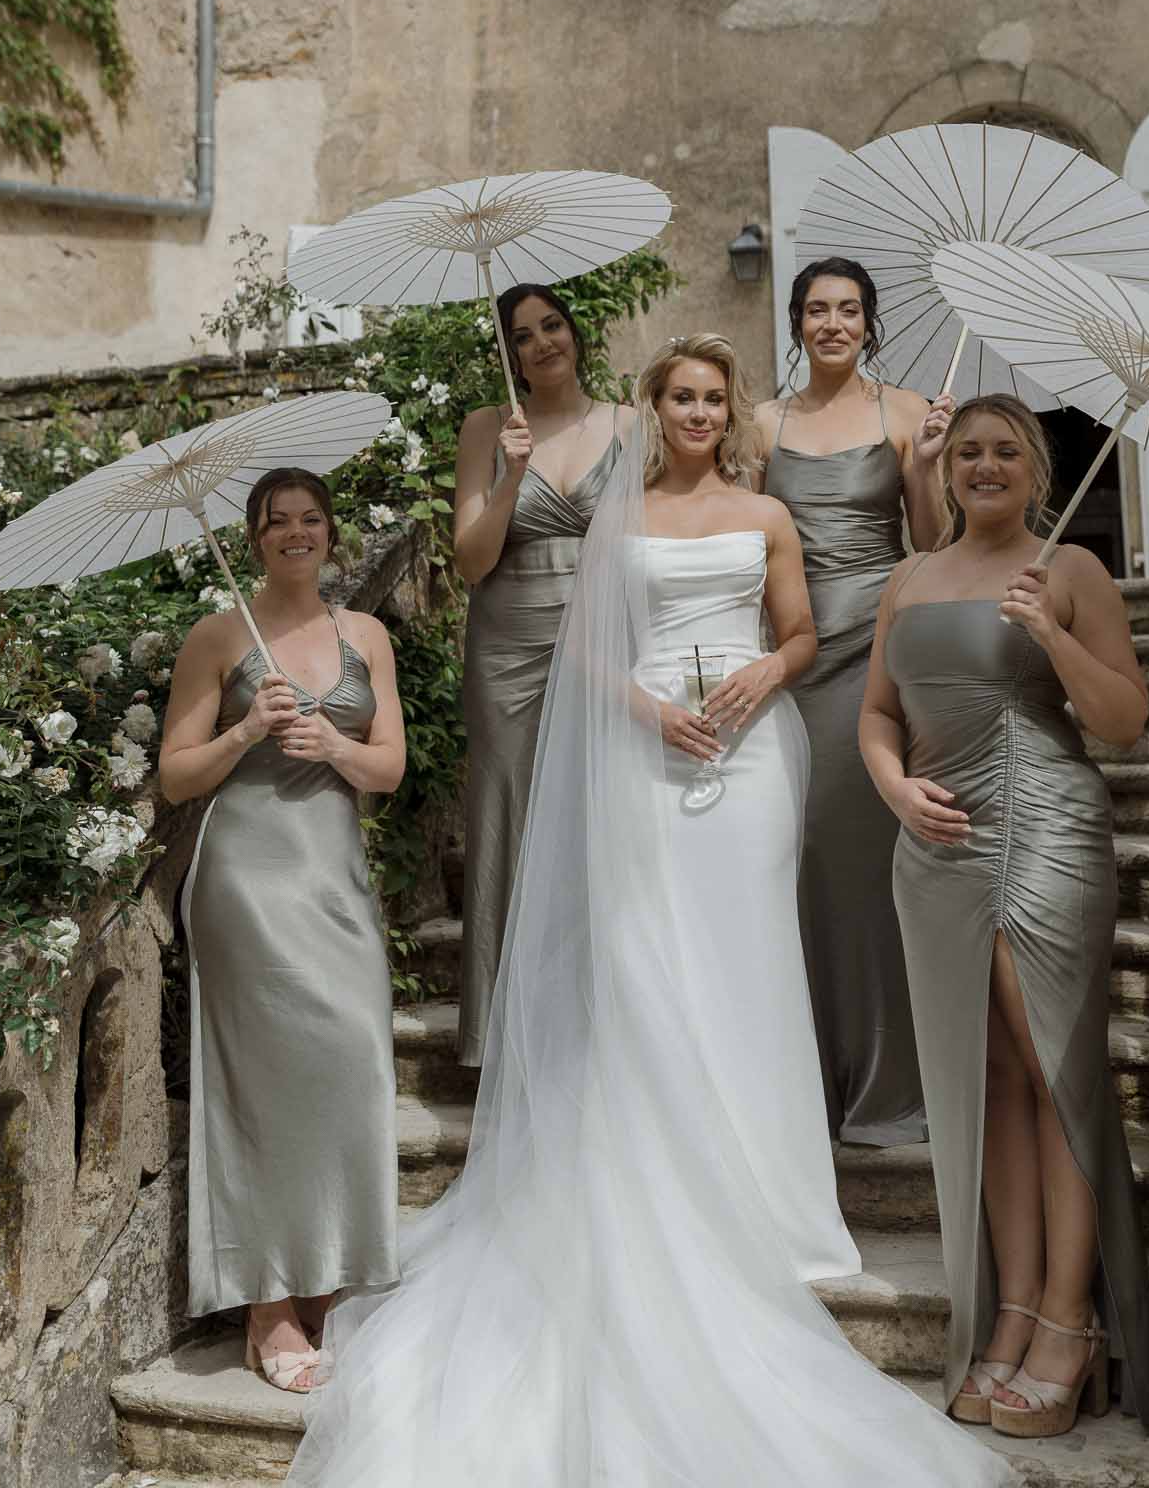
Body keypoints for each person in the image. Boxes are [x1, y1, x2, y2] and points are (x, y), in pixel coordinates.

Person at [284, 337, 1012, 1488]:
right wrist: (651, 711)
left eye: (715, 398)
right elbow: (581, 654)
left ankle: (772, 1206)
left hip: (754, 757)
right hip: (646, 752)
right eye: (680, 394)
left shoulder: (769, 513)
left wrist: (765, 678)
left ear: (731, 412)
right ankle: (659, 1179)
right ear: (656, 405)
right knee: (647, 958)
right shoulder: (613, 526)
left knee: (752, 959)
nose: (698, 411)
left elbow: (808, 633)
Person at [860, 396, 1149, 1439]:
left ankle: (1071, 1323)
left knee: (1053, 1072)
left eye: (1006, 451)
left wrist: (1049, 635)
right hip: (933, 846)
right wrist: (896, 789)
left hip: (1044, 827)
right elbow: (876, 715)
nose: (985, 465)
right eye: (970, 451)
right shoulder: (910, 575)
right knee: (985, 1083)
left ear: (1035, 467)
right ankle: (1016, 1305)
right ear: (947, 471)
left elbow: (1123, 721)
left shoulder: (1071, 570)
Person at [160, 468, 406, 1392]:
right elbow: (176, 776)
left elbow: (387, 770)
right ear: (255, 538)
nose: (293, 534)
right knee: (259, 1087)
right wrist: (242, 735)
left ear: (330, 533)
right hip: (246, 880)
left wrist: (335, 746)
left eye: (309, 519)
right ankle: (266, 1302)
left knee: (353, 1061)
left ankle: (336, 1279)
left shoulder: (366, 635)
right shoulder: (219, 637)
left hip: (334, 879)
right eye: (275, 523)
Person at [757, 257, 952, 1146]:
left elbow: (932, 539)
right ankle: (810, 1077)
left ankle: (890, 1080)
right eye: (815, 310)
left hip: (879, 645)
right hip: (793, 655)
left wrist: (931, 464)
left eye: (847, 310)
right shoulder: (761, 423)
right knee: (799, 854)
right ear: (795, 323)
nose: (831, 323)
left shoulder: (905, 411)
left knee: (871, 853)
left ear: (868, 322)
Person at [453, 282, 630, 1066]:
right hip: (506, 648)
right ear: (511, 354)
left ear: (574, 333)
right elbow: (469, 561)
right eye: (521, 336)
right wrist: (510, 477)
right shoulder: (486, 428)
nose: (540, 344)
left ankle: (600, 1019)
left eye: (550, 326)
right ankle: (502, 1035)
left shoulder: (632, 425)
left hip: (605, 640)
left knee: (604, 818)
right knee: (510, 820)